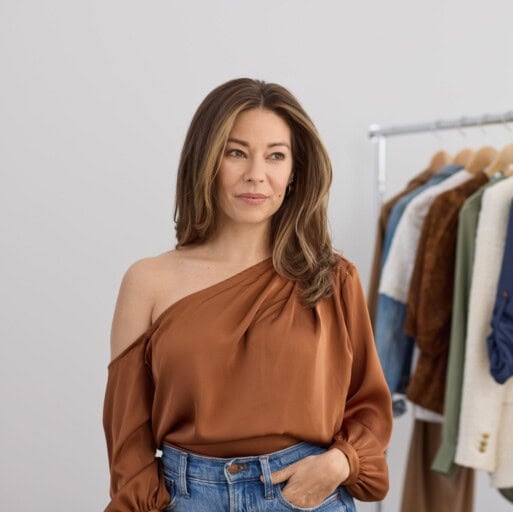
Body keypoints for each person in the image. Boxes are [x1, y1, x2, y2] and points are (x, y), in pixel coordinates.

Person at [102, 78, 393, 512]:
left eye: (275, 156)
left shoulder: (332, 278)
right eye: (236, 152)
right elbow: (128, 438)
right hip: (187, 498)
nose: (256, 174)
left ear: (295, 172)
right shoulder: (148, 282)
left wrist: (338, 464)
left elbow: (368, 404)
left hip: (307, 497)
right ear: (206, 161)